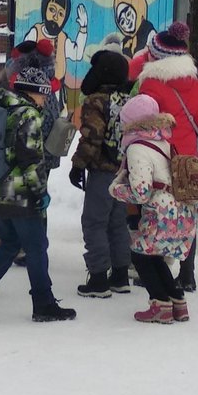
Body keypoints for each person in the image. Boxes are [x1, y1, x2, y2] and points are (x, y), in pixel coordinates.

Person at [0, 65, 77, 323]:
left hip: (0, 190)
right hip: (23, 193)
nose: (45, 100)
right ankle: (43, 303)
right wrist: (38, 192)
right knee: (36, 247)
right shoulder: (28, 115)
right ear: (33, 92)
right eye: (43, 95)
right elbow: (30, 158)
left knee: (10, 244)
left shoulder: (0, 108)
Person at [136, 20, 198, 291]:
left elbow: (148, 123)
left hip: (162, 156)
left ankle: (161, 268)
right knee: (187, 214)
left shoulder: (150, 85)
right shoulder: (191, 82)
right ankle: (188, 274)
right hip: (189, 157)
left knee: (158, 213)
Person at [109, 94, 196, 324]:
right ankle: (177, 301)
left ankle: (159, 304)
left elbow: (141, 191)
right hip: (180, 208)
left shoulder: (137, 148)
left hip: (160, 210)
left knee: (139, 254)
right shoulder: (163, 139)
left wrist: (116, 190)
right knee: (152, 253)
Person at [69, 48, 133, 298]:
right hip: (124, 171)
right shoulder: (128, 98)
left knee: (94, 222)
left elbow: (92, 137)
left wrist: (78, 164)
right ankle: (119, 275)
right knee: (118, 223)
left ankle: (97, 278)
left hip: (103, 172)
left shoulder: (97, 101)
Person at [27, 0, 88, 88]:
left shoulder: (63, 38)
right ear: (44, 9)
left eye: (60, 14)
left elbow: (76, 54)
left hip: (57, 88)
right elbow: (24, 57)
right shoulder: (35, 32)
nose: (55, 17)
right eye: (52, 10)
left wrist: (83, 28)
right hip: (35, 87)